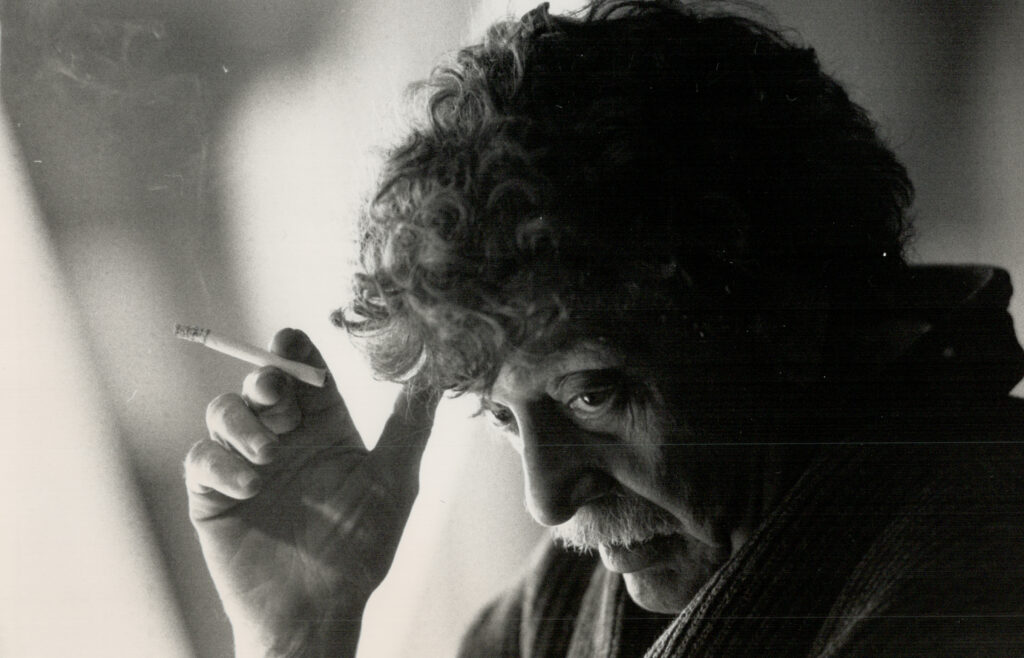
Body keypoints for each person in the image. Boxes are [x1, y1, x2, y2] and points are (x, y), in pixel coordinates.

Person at [184, 1, 1024, 655]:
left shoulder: (980, 578)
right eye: (502, 416)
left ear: (786, 323)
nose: (546, 500)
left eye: (591, 395)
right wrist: (301, 635)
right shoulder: (561, 608)